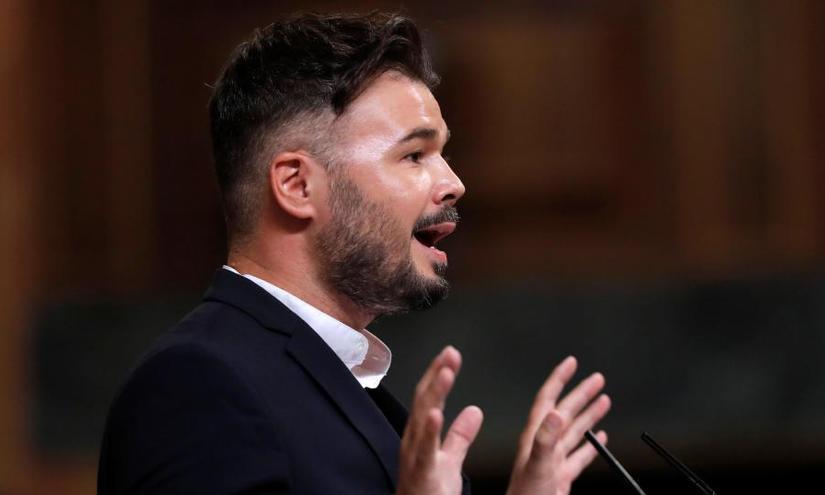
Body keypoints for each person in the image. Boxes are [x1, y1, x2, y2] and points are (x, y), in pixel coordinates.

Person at [98, 11, 611, 495]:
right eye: (414, 155)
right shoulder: (197, 387)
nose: (453, 183)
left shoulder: (345, 382)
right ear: (298, 186)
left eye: (443, 154)